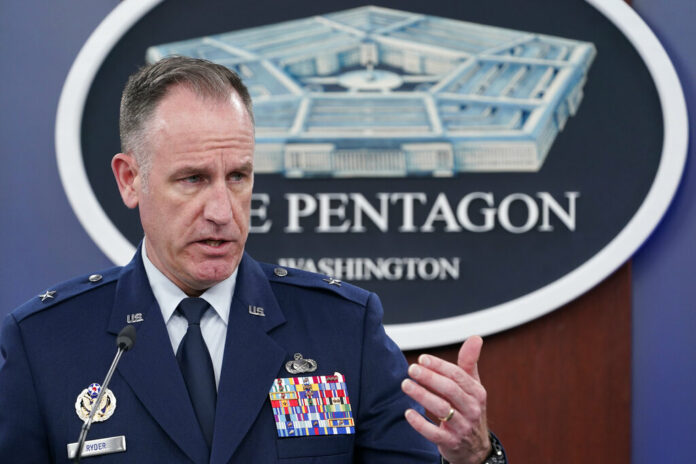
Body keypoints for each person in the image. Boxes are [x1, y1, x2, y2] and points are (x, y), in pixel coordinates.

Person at [0, 57, 506, 463]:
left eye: (238, 177)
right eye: (193, 179)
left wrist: (474, 459)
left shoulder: (342, 328)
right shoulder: (45, 344)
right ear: (130, 179)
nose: (222, 211)